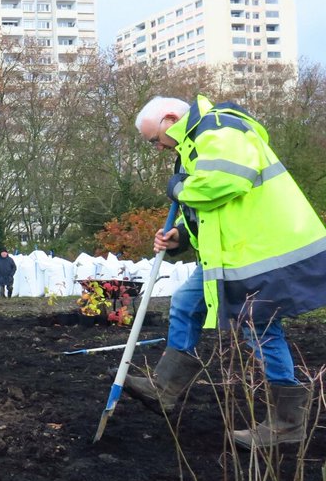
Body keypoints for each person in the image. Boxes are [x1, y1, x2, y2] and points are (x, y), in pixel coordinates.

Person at [125, 94, 326, 449]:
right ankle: (165, 387)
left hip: (261, 253)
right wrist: (182, 236)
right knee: (186, 302)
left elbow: (224, 184)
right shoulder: (195, 145)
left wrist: (178, 187)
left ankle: (287, 423)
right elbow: (218, 211)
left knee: (259, 328)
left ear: (170, 118)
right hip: (231, 256)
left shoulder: (220, 128)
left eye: (155, 140)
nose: (157, 148)